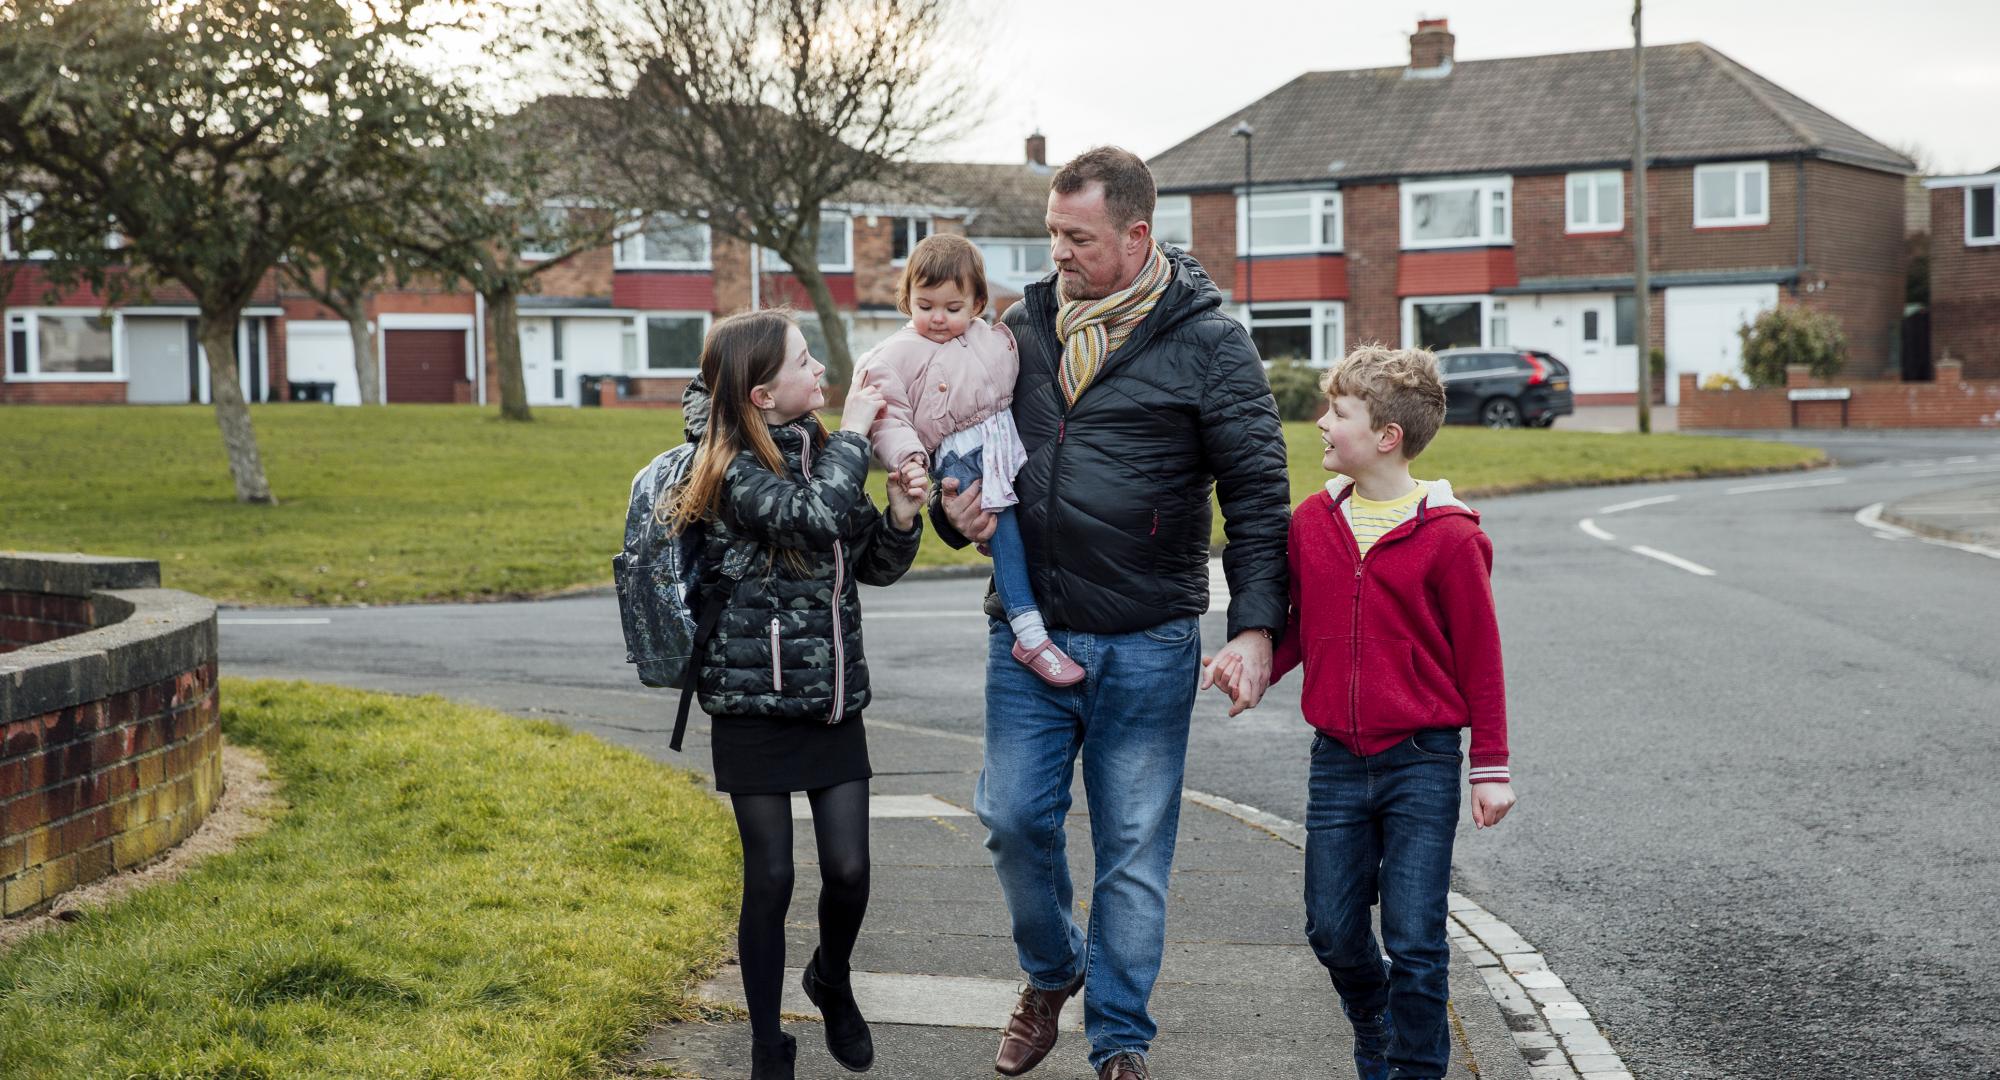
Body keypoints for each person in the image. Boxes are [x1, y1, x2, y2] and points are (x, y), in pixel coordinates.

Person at [933, 147, 1291, 1080]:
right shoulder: (1019, 328)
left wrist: (1254, 627)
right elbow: (965, 445)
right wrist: (950, 507)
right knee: (1012, 820)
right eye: (1053, 233)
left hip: (1149, 637)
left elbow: (1259, 492)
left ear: (1137, 235)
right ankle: (1054, 970)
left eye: (1077, 237)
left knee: (1132, 847)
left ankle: (1120, 1038)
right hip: (1027, 630)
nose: (1058, 253)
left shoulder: (1212, 342)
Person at [1212, 344, 1517, 1080]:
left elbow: (1482, 660)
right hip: (1338, 764)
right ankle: (1372, 1014)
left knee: (1416, 937)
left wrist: (1491, 769)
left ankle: (1414, 1069)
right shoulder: (1313, 522)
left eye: (1338, 412)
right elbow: (1304, 627)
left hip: (1423, 761)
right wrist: (1257, 665)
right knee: (1332, 928)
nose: (1321, 423)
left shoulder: (1451, 538)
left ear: (1387, 436)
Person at [666, 309, 926, 1080]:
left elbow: (867, 563)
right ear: (760, 395)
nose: (821, 371)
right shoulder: (723, 467)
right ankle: (765, 1046)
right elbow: (809, 519)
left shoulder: (819, 452)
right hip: (751, 702)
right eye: (805, 362)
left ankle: (832, 981)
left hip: (832, 695)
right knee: (771, 877)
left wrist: (904, 516)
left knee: (848, 870)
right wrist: (854, 434)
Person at [850, 232, 1083, 686]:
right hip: (961, 453)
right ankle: (1028, 630)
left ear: (977, 303)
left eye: (952, 308)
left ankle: (1049, 607)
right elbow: (888, 416)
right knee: (1006, 532)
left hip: (1003, 444)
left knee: (1036, 515)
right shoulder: (894, 355)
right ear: (907, 300)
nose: (937, 318)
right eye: (925, 305)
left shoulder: (995, 336)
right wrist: (911, 458)